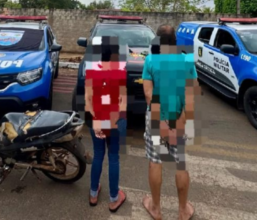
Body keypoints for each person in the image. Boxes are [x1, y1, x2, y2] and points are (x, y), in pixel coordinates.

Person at [141, 24, 197, 220]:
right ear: (175, 41)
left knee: (156, 162)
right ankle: (183, 210)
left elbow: (148, 95)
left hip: (157, 119)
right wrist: (178, 124)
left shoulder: (150, 60)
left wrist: (162, 122)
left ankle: (156, 208)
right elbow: (190, 98)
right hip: (180, 118)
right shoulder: (187, 61)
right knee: (180, 164)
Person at [84, 36, 128, 213]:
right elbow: (122, 100)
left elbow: (88, 100)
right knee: (114, 157)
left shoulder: (92, 70)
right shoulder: (121, 70)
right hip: (116, 120)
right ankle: (113, 198)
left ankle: (93, 193)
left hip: (96, 119)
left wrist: (98, 122)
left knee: (98, 155)